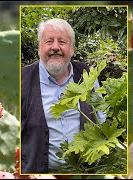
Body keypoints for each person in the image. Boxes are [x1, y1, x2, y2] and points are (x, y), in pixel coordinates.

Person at [20, 18, 106, 174]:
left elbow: (101, 118)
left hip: (85, 173)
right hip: (38, 174)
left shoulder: (87, 74)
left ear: (72, 49)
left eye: (62, 42)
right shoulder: (22, 79)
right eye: (49, 41)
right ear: (39, 48)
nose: (55, 47)